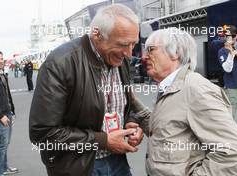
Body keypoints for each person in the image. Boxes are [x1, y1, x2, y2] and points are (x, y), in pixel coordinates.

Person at [29, 4, 148, 176]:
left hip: (118, 162)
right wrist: (103, 141)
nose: (129, 53)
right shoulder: (61, 63)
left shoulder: (121, 60)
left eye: (133, 44)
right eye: (122, 44)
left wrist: (130, 124)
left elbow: (122, 105)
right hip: (78, 167)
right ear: (97, 34)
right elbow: (43, 134)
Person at [139, 28, 237, 176]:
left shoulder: (196, 89)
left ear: (175, 53)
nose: (144, 57)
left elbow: (232, 151)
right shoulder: (171, 86)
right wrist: (135, 108)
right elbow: (170, 130)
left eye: (150, 50)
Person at [0, 51, 18, 175]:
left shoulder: (3, 75)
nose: (1, 60)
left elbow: (8, 95)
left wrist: (13, 111)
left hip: (8, 113)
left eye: (1, 58)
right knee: (2, 144)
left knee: (6, 143)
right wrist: (0, 116)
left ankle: (5, 167)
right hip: (2, 115)